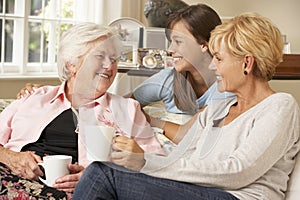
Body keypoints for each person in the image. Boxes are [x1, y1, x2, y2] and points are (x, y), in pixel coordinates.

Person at [73, 13, 300, 200]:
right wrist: (131, 161)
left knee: (103, 175)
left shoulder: (279, 106)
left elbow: (238, 172)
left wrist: (145, 162)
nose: (212, 66)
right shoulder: (217, 109)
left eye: (219, 59)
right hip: (202, 192)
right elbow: (181, 159)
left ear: (247, 63)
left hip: (239, 197)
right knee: (103, 169)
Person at [0, 23, 163, 199]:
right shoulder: (34, 97)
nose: (109, 66)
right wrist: (9, 157)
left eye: (114, 59)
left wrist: (96, 179)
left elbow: (158, 165)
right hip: (11, 178)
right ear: (71, 64)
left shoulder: (127, 109)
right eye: (100, 56)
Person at [17, 4, 234, 116]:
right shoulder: (169, 80)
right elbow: (117, 105)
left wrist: (153, 122)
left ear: (204, 44)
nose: (169, 50)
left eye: (178, 41)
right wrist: (48, 95)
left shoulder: (231, 85)